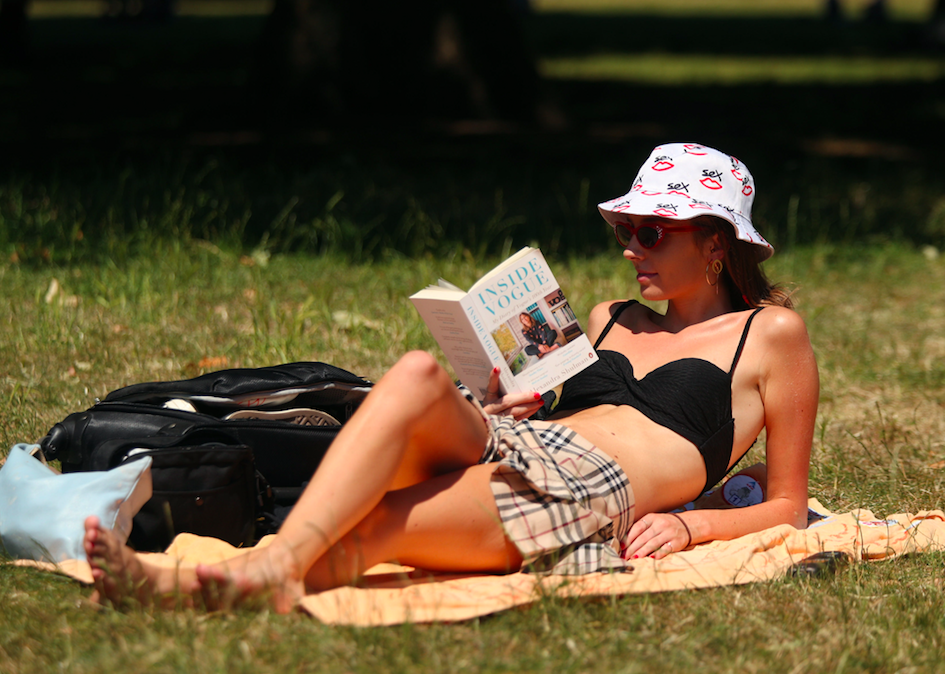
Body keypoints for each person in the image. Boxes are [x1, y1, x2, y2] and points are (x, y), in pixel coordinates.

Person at [83, 143, 819, 612]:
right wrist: (506, 403)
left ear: (716, 243)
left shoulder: (769, 335)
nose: (631, 249)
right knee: (411, 372)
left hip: (587, 486)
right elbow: (543, 407)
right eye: (625, 231)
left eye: (651, 231)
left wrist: (691, 523)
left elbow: (787, 504)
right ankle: (263, 563)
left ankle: (224, 576)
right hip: (516, 439)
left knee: (374, 526)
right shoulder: (607, 313)